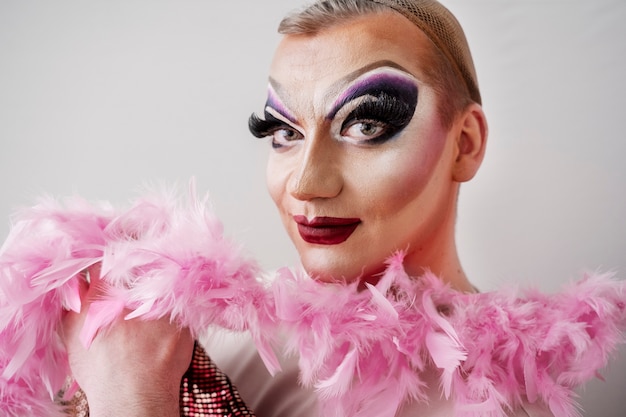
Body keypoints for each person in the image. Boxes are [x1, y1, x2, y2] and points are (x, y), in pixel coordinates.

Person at [3, 1, 623, 417]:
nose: (308, 180)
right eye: (282, 131)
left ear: (465, 144)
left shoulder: (505, 400)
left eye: (367, 123)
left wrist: (134, 399)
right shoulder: (184, 340)